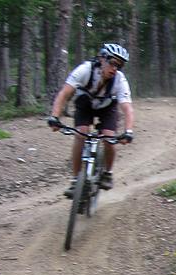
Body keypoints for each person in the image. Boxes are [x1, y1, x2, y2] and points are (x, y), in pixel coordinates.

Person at [48, 43, 134, 197]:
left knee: (108, 138)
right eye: (113, 62)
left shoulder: (120, 80)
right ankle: (75, 181)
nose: (115, 68)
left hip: (107, 107)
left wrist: (128, 131)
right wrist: (55, 117)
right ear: (102, 59)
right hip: (85, 104)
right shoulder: (84, 70)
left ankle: (107, 173)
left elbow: (127, 108)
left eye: (119, 66)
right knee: (80, 135)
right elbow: (64, 94)